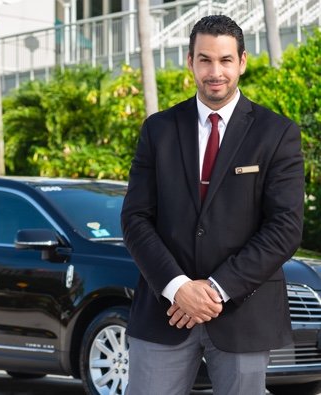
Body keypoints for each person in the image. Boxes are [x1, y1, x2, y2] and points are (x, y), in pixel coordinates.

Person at [121, 14, 304, 395]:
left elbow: (285, 227)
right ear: (190, 62)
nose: (214, 71)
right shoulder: (158, 130)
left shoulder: (277, 133)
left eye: (224, 60)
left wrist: (217, 289)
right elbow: (136, 218)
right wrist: (178, 287)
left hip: (243, 311)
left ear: (242, 62)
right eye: (204, 59)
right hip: (165, 311)